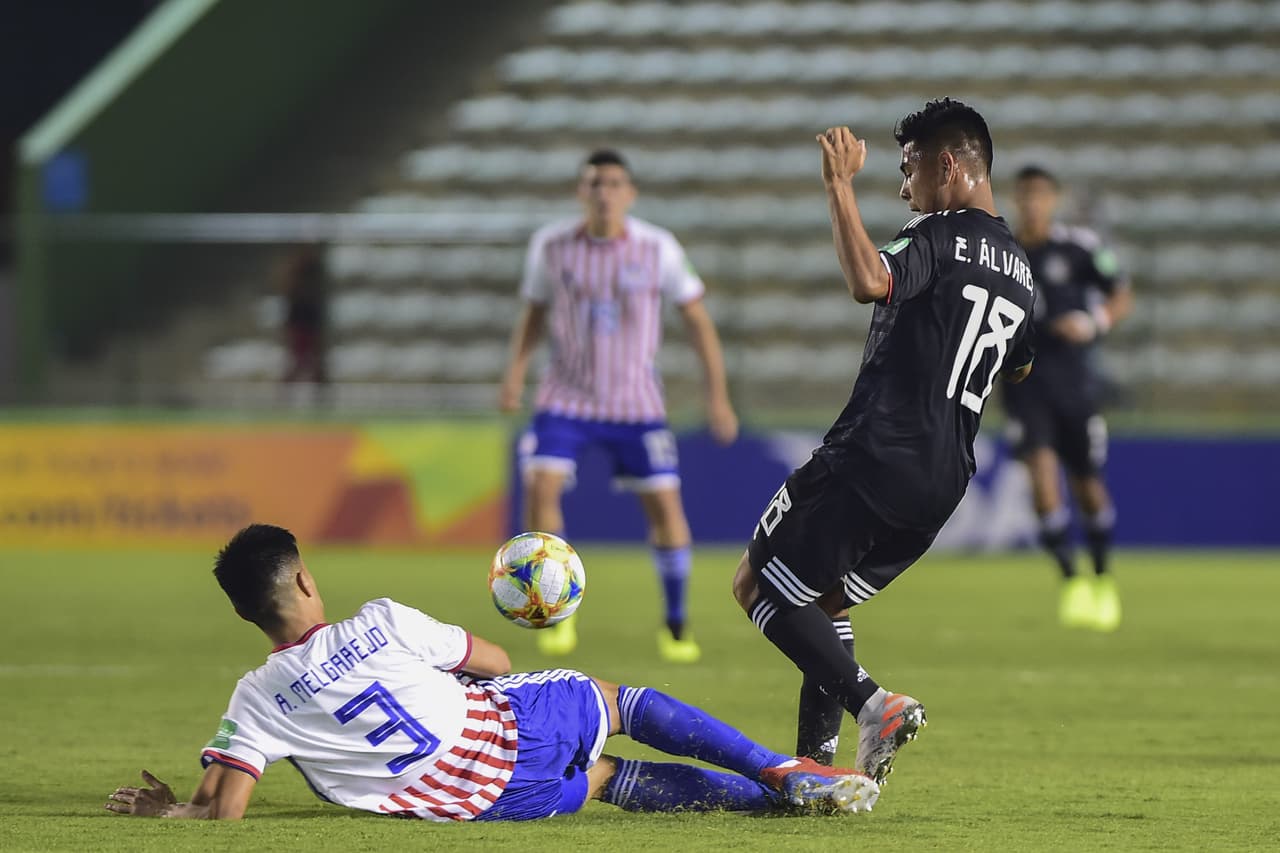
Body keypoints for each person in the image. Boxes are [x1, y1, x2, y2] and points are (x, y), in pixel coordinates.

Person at [105, 524, 878, 822]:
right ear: (305, 578)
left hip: (485, 800)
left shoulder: (257, 696)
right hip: (509, 725)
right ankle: (783, 771)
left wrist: (168, 811)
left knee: (607, 778)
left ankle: (777, 808)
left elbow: (221, 808)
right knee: (613, 699)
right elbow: (498, 663)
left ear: (246, 615)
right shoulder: (379, 619)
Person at [730, 99, 1036, 782]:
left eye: (909, 168)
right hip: (945, 477)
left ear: (949, 164)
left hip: (876, 451)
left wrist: (838, 185)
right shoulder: (1020, 266)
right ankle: (821, 769)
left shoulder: (939, 233)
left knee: (760, 585)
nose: (904, 186)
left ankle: (875, 705)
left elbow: (871, 280)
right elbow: (1021, 362)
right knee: (824, 603)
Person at [499, 148, 739, 663]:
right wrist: (515, 374)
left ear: (629, 194)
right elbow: (534, 314)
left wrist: (717, 396)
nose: (604, 192)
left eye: (613, 183)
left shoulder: (658, 248)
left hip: (637, 404)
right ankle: (556, 614)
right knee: (540, 487)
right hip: (565, 399)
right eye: (594, 183)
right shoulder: (552, 246)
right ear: (580, 192)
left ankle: (676, 623)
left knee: (665, 509)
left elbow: (697, 320)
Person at [1004, 166, 1133, 632]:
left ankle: (1102, 577)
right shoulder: (1004, 250)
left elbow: (1120, 292)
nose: (1032, 203)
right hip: (1024, 383)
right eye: (1025, 195)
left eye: (1040, 195)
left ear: (1053, 199)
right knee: (1042, 486)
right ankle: (1071, 580)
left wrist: (1093, 321)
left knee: (1087, 485)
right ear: (1016, 199)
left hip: (1075, 382)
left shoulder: (1078, 247)